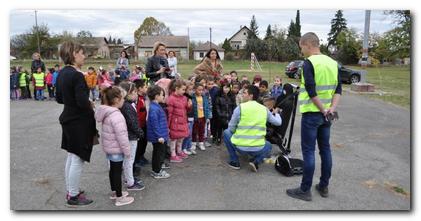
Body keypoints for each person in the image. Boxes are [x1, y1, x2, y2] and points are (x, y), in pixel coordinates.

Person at [286, 32, 342, 201]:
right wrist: (331, 109)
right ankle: (324, 186)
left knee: (309, 152)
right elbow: (338, 89)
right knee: (325, 150)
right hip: (327, 116)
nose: (301, 51)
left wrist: (322, 109)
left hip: (312, 114)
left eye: (301, 47)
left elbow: (311, 91)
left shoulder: (308, 63)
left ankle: (305, 190)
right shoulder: (333, 63)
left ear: (308, 44)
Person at [55, 41, 97, 206]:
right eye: (82, 53)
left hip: (68, 118)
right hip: (79, 122)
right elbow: (81, 102)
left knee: (72, 156)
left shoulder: (62, 73)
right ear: (74, 54)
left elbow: (59, 98)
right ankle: (73, 195)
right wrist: (90, 103)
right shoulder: (77, 75)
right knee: (78, 158)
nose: (84, 56)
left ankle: (71, 190)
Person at [223, 85, 282, 172]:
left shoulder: (240, 108)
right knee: (268, 145)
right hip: (258, 148)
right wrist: (276, 113)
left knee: (226, 132)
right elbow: (278, 123)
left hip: (240, 147)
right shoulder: (264, 109)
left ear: (251, 96)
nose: (242, 95)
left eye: (245, 93)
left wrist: (238, 133)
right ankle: (256, 161)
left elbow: (231, 128)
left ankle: (234, 161)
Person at [94, 86, 135, 206]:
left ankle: (115, 191)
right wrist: (127, 151)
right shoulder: (117, 115)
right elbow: (122, 136)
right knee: (117, 172)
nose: (124, 101)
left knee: (113, 171)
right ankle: (119, 197)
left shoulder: (106, 112)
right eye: (122, 99)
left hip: (110, 148)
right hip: (116, 148)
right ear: (116, 100)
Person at [118, 82, 145, 191]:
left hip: (130, 135)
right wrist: (140, 133)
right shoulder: (127, 106)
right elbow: (132, 123)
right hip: (131, 137)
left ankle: (128, 178)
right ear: (127, 94)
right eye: (134, 92)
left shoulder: (127, 104)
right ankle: (130, 182)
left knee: (128, 160)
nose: (136, 94)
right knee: (129, 160)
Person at [147, 85, 171, 179]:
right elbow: (154, 123)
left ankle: (157, 168)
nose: (163, 97)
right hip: (159, 137)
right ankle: (157, 171)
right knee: (158, 154)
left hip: (160, 135)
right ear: (156, 96)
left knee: (159, 153)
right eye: (162, 95)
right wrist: (159, 136)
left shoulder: (156, 106)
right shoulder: (154, 108)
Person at [167, 79, 191, 162]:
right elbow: (169, 113)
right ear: (176, 88)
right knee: (174, 139)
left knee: (181, 138)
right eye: (183, 89)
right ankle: (173, 155)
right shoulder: (171, 99)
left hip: (183, 121)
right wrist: (168, 125)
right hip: (175, 123)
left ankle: (179, 151)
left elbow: (185, 110)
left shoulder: (184, 98)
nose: (184, 92)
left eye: (185, 90)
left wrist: (189, 106)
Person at [133, 79, 149, 168]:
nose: (147, 88)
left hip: (144, 124)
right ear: (139, 89)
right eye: (145, 87)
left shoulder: (143, 98)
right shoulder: (137, 99)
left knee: (144, 142)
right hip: (139, 126)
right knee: (139, 144)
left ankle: (141, 156)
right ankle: (137, 159)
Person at [191, 83, 211, 152]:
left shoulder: (204, 97)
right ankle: (193, 143)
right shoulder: (192, 97)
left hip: (203, 117)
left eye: (202, 90)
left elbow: (207, 107)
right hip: (196, 117)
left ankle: (201, 143)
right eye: (199, 90)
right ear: (195, 90)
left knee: (201, 131)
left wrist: (207, 116)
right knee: (194, 131)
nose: (200, 91)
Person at [181, 81, 195, 155]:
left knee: (190, 133)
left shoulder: (190, 96)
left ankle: (188, 147)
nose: (191, 91)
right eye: (189, 90)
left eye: (192, 89)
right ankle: (184, 148)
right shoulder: (184, 97)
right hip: (187, 118)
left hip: (191, 117)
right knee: (187, 134)